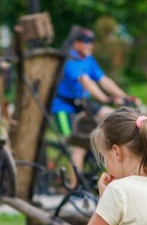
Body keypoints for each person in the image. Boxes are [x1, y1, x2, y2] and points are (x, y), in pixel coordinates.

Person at [51, 27, 135, 187]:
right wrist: (104, 98)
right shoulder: (70, 59)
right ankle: (74, 189)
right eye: (87, 42)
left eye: (92, 42)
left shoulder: (88, 59)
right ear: (77, 43)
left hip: (83, 104)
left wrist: (124, 96)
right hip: (64, 109)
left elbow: (104, 80)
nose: (91, 46)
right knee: (78, 147)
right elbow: (86, 81)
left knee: (113, 118)